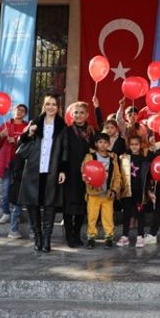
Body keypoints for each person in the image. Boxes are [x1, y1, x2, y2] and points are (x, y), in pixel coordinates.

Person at [16, 94, 68, 253]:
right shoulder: (35, 123)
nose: (51, 107)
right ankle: (37, 238)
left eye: (54, 104)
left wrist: (63, 170)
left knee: (49, 205)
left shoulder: (62, 126)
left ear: (58, 107)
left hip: (51, 170)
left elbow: (65, 149)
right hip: (33, 169)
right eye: (48, 104)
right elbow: (21, 141)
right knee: (32, 204)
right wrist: (29, 133)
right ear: (43, 106)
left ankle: (46, 240)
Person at [0, 104, 28, 239]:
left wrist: (17, 141)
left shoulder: (26, 127)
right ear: (13, 111)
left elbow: (29, 143)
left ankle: (15, 214)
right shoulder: (5, 125)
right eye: (17, 110)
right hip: (6, 163)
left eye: (22, 110)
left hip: (20, 164)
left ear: (25, 113)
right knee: (5, 190)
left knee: (16, 192)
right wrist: (1, 135)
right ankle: (6, 212)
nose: (19, 112)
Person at [63, 102, 96, 248]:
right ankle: (69, 235)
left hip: (87, 174)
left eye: (82, 112)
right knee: (69, 205)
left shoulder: (92, 132)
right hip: (71, 172)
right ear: (72, 115)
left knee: (82, 205)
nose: (78, 115)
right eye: (76, 112)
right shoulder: (67, 131)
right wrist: (62, 170)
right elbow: (63, 151)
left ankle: (77, 234)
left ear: (87, 115)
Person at [82, 133, 121, 249]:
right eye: (100, 142)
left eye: (105, 142)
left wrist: (114, 190)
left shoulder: (112, 159)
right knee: (92, 217)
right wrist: (88, 180)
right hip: (93, 194)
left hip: (107, 194)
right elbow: (84, 172)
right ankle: (91, 237)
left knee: (108, 217)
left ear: (109, 144)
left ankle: (109, 237)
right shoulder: (90, 156)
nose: (102, 145)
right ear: (96, 144)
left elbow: (117, 176)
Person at [117, 135, 153, 248]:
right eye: (132, 144)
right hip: (127, 191)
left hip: (139, 191)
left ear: (140, 145)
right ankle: (125, 236)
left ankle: (140, 236)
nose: (134, 147)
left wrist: (149, 191)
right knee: (126, 213)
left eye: (136, 144)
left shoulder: (145, 159)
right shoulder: (123, 158)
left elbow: (148, 176)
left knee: (140, 213)